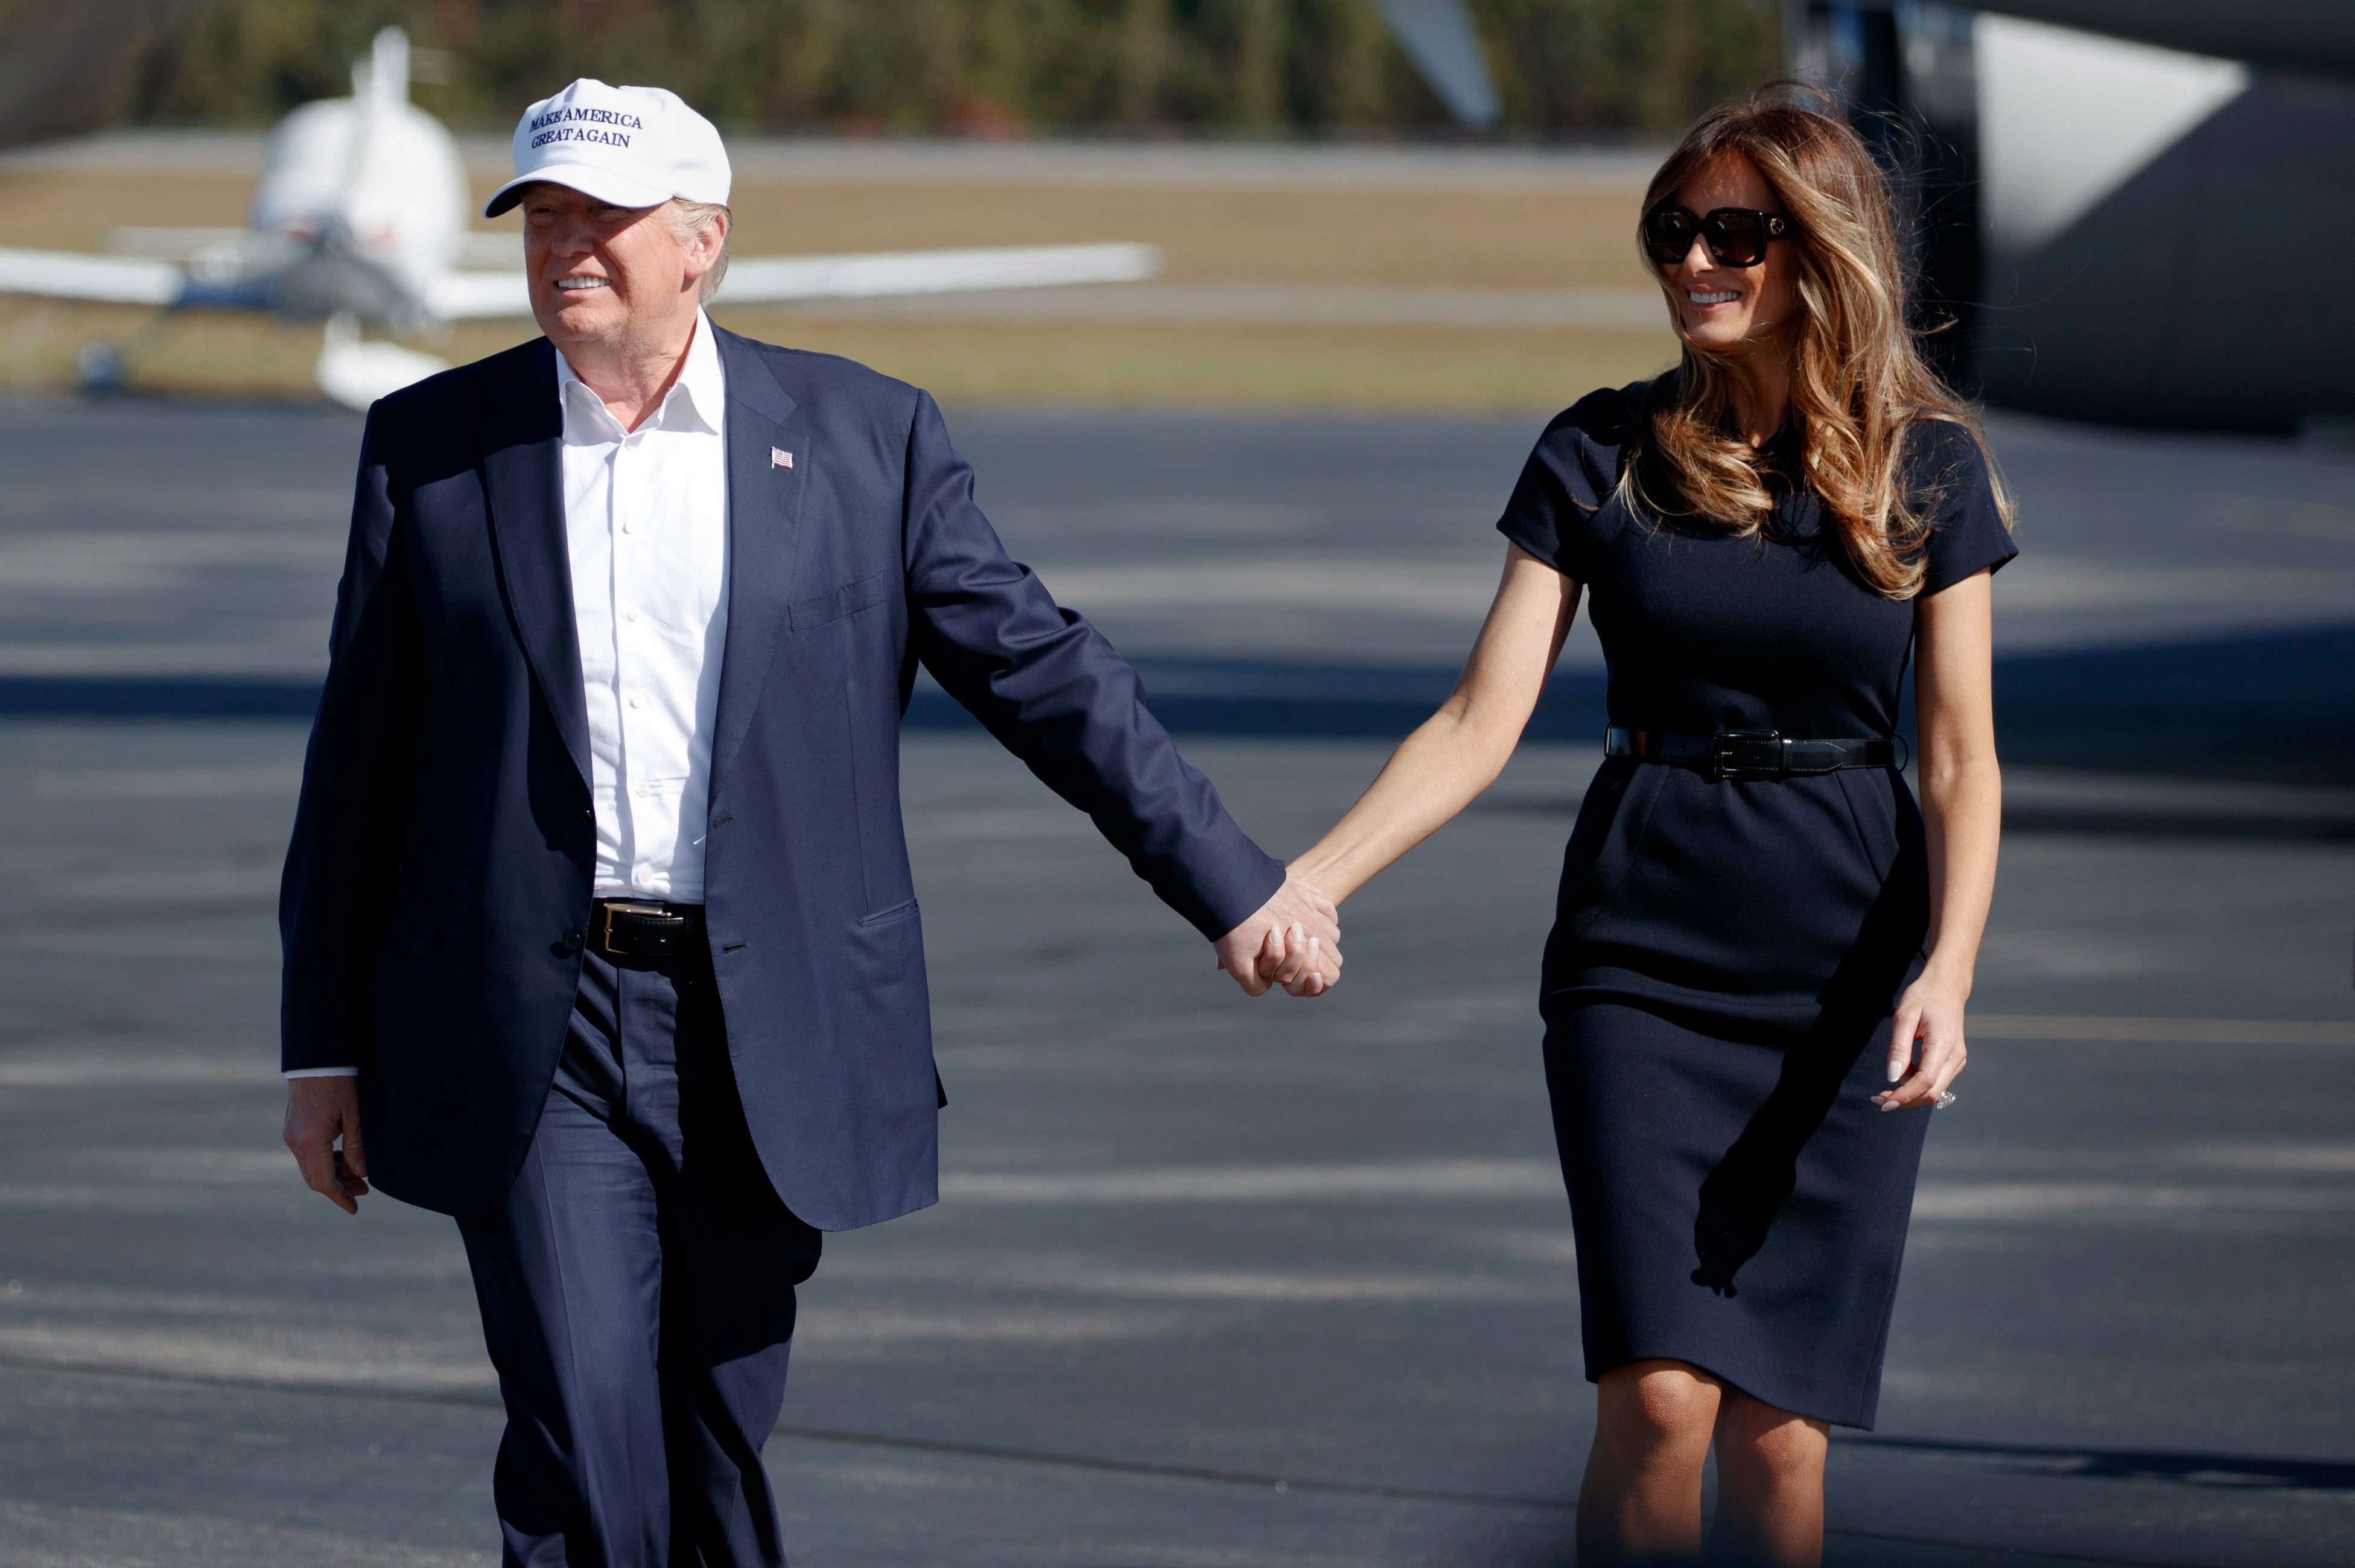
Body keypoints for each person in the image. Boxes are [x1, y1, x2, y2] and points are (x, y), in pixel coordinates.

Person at [277, 78, 1338, 1566]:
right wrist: (322, 1044)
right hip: (534, 1020)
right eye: (543, 217)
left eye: (605, 216)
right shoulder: (431, 447)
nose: (566, 246)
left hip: (759, 1016)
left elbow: (1044, 675)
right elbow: (358, 764)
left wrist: (1230, 880)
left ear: (703, 240)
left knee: (713, 1445)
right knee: (584, 1445)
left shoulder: (864, 440)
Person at [1280, 88, 2013, 1565]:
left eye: (1733, 234)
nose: (1694, 261)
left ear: (1816, 253)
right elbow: (1477, 723)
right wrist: (1302, 878)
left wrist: (1946, 971)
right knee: (1663, 1397)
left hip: (1839, 979)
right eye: (1671, 232)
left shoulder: (1924, 468)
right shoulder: (1597, 452)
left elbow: (1958, 761)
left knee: (1781, 1437)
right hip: (1642, 965)